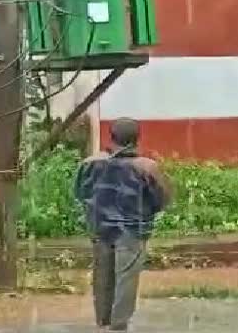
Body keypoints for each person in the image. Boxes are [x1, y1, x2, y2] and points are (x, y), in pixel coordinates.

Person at [74, 118, 173, 332]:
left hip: (100, 228)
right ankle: (118, 326)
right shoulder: (147, 167)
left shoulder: (90, 163)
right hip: (132, 230)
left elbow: (80, 193)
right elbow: (162, 198)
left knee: (102, 277)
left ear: (112, 136)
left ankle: (103, 323)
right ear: (137, 138)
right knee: (125, 279)